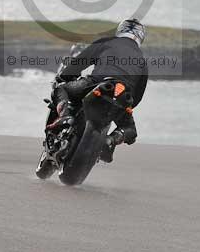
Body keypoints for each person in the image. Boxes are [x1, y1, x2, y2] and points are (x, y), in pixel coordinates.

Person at [48, 18, 148, 163]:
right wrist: (126, 106)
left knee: (61, 89)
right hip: (122, 94)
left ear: (121, 30)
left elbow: (80, 62)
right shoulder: (141, 59)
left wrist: (65, 77)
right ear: (140, 37)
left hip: (97, 83)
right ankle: (111, 140)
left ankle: (65, 116)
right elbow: (138, 95)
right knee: (130, 129)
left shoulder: (107, 42)